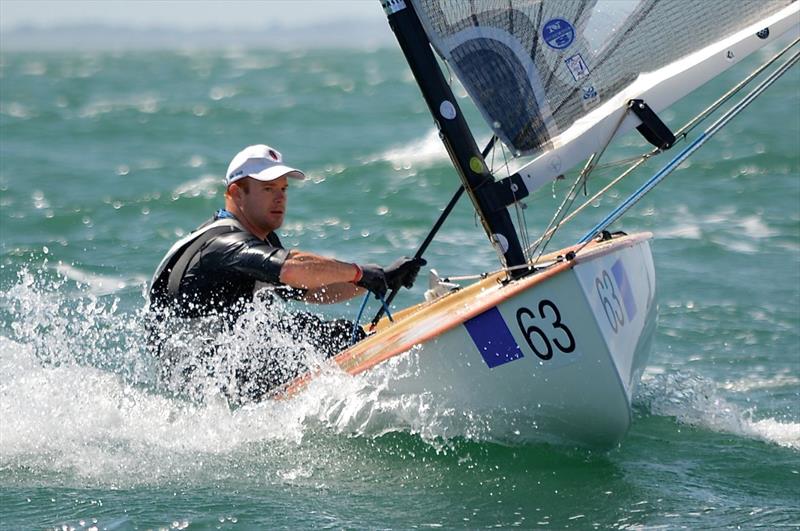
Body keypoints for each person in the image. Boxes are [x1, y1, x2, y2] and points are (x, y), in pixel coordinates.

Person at [148, 144, 424, 402]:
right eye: (268, 189)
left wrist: (381, 280)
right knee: (317, 336)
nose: (280, 197)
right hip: (201, 380)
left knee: (331, 333)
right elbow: (292, 269)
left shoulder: (260, 242)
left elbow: (313, 290)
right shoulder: (223, 243)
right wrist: (358, 272)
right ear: (235, 193)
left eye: (284, 188)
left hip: (222, 367)